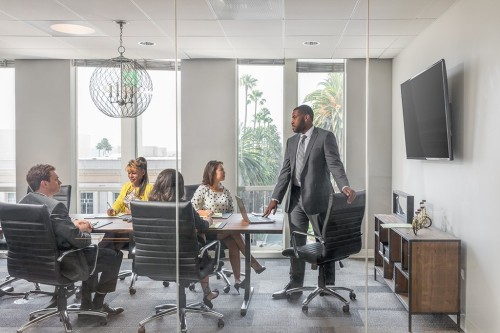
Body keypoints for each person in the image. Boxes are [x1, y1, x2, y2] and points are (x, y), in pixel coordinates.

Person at [263, 104, 357, 299]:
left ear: (307, 118)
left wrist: (344, 187)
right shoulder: (291, 142)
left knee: (325, 241)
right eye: (291, 117)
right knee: (297, 243)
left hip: (320, 199)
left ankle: (327, 284)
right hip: (296, 199)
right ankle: (295, 284)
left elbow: (334, 164)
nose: (292, 121)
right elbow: (285, 173)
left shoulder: (324, 137)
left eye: (295, 117)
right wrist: (275, 198)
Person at [19, 164, 124, 315]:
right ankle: (98, 303)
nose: (60, 182)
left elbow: (47, 230)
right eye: (56, 179)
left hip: (32, 264)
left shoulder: (23, 203)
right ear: (44, 183)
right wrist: (84, 230)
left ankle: (86, 304)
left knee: (91, 255)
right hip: (61, 264)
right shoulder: (56, 207)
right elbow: (78, 240)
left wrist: (71, 226)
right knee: (112, 255)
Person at [148, 169, 219, 309]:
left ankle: (206, 293)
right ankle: (207, 293)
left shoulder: (148, 207)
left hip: (156, 261)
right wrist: (209, 221)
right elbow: (202, 226)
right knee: (202, 250)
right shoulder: (184, 206)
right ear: (180, 187)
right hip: (186, 261)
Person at [191, 160, 266, 293]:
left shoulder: (225, 190)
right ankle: (253, 263)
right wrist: (205, 212)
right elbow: (191, 208)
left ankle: (237, 280)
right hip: (208, 229)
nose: (224, 172)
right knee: (235, 234)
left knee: (233, 241)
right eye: (221, 170)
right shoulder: (203, 189)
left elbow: (231, 211)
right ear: (212, 172)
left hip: (225, 228)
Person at [103, 157, 153, 252]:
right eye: (129, 173)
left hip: (138, 228)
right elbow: (119, 202)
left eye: (133, 173)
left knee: (111, 240)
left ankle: (100, 258)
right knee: (111, 235)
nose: (130, 176)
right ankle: (102, 257)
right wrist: (113, 210)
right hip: (124, 224)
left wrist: (134, 212)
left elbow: (149, 210)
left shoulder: (149, 189)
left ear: (143, 173)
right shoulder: (126, 186)